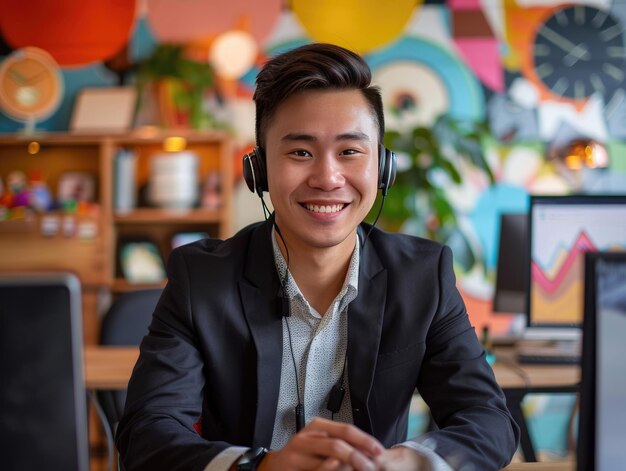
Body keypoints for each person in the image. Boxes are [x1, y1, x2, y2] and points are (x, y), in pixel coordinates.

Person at [116, 43, 519, 471]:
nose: (328, 178)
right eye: (300, 152)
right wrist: (263, 468)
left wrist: (401, 463)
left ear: (382, 167)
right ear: (260, 171)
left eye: (350, 151)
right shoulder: (201, 278)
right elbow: (147, 432)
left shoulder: (422, 276)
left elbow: (488, 421)